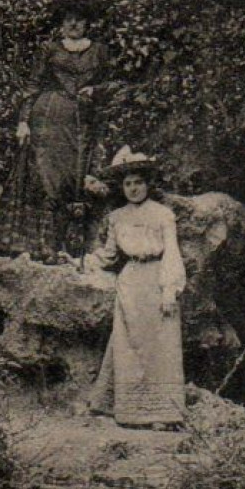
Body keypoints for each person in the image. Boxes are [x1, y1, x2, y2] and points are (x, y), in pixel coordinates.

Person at [0, 0, 119, 262]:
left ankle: (71, 246)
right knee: (48, 179)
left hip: (84, 122)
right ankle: (44, 247)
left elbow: (114, 84)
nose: (73, 24)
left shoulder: (99, 51)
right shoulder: (49, 49)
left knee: (75, 180)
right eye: (68, 19)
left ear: (87, 23)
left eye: (78, 19)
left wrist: (96, 91)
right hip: (48, 119)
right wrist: (24, 121)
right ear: (62, 23)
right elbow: (32, 85)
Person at [81, 147, 187, 430]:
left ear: (148, 184)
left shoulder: (163, 214)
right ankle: (130, 411)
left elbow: (172, 253)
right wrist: (90, 261)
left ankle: (163, 413)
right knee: (129, 345)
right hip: (130, 282)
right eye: (128, 184)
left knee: (160, 345)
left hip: (157, 277)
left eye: (138, 182)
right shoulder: (117, 217)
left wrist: (169, 290)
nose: (133, 188)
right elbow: (111, 254)